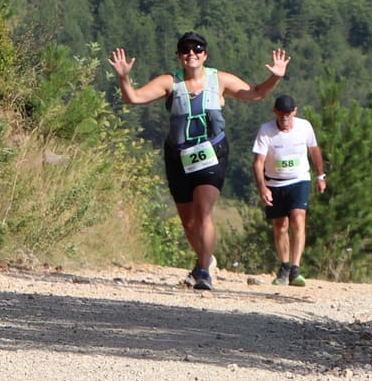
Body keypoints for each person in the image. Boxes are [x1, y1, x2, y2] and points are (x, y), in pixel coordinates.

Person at [110, 33, 290, 290]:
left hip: (212, 153)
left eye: (197, 49)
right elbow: (134, 98)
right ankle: (206, 258)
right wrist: (124, 77)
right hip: (178, 155)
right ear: (179, 55)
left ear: (205, 54)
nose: (191, 53)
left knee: (204, 210)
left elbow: (257, 93)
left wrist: (276, 76)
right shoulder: (169, 82)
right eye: (185, 49)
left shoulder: (220, 80)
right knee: (188, 221)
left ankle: (204, 271)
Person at [252, 94, 327, 287]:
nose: (285, 117)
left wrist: (320, 176)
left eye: (288, 113)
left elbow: (314, 149)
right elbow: (258, 162)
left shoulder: (304, 127)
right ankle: (284, 266)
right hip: (275, 183)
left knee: (298, 218)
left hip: (299, 179)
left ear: (294, 111)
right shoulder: (266, 131)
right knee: (280, 226)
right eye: (281, 113)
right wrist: (262, 188)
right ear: (274, 111)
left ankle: (296, 267)